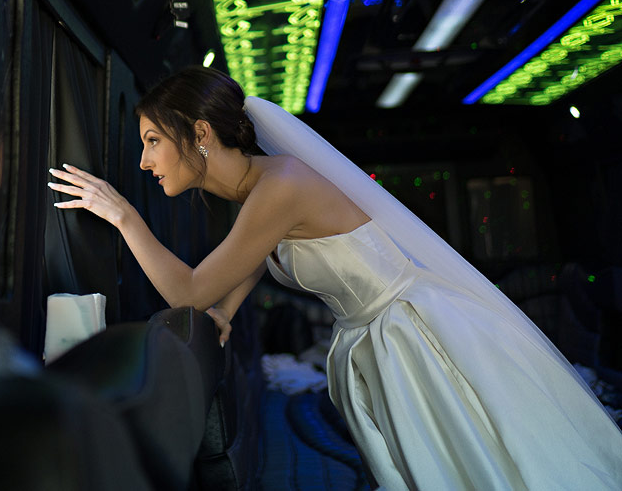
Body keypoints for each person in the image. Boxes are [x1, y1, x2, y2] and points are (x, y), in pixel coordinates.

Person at [48, 65, 622, 490]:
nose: (145, 161)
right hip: (376, 337)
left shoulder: (282, 185)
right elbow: (251, 262)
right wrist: (225, 312)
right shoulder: (254, 189)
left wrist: (124, 216)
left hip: (414, 336)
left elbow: (188, 290)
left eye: (152, 141)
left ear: (199, 133)